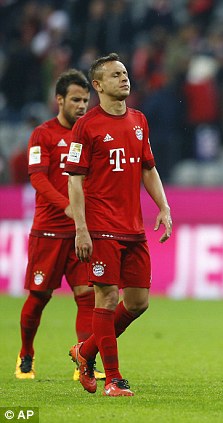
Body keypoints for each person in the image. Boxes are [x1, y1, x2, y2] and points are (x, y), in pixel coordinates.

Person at [65, 53, 172, 397]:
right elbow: (75, 180)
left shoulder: (139, 120)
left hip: (133, 227)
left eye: (124, 73)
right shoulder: (87, 125)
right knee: (107, 296)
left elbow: (148, 168)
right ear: (98, 85)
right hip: (99, 226)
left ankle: (85, 351)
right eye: (114, 75)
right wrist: (81, 228)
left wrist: (164, 207)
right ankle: (112, 378)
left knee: (139, 302)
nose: (124, 79)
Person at [15, 69, 106, 382]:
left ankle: (84, 362)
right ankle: (26, 352)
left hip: (80, 232)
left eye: (85, 100)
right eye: (76, 100)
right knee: (40, 296)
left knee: (86, 296)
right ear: (59, 100)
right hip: (49, 231)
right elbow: (37, 177)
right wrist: (66, 206)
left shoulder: (89, 134)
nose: (82, 105)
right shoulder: (43, 134)